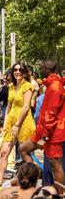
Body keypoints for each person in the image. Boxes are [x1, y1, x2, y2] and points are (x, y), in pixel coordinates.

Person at [19, 60, 64, 190]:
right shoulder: (51, 84)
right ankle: (32, 182)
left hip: (52, 133)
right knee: (23, 149)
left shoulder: (55, 86)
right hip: (42, 130)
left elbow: (51, 112)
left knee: (55, 165)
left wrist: (45, 136)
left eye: (42, 68)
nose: (40, 69)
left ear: (48, 69)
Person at [0, 62, 36, 185]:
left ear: (24, 72)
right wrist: (5, 126)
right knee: (4, 152)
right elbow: (8, 107)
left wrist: (17, 125)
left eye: (20, 70)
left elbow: (26, 107)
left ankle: (32, 180)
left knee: (24, 152)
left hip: (24, 122)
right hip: (11, 122)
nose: (17, 72)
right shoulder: (11, 87)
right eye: (15, 70)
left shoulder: (27, 86)